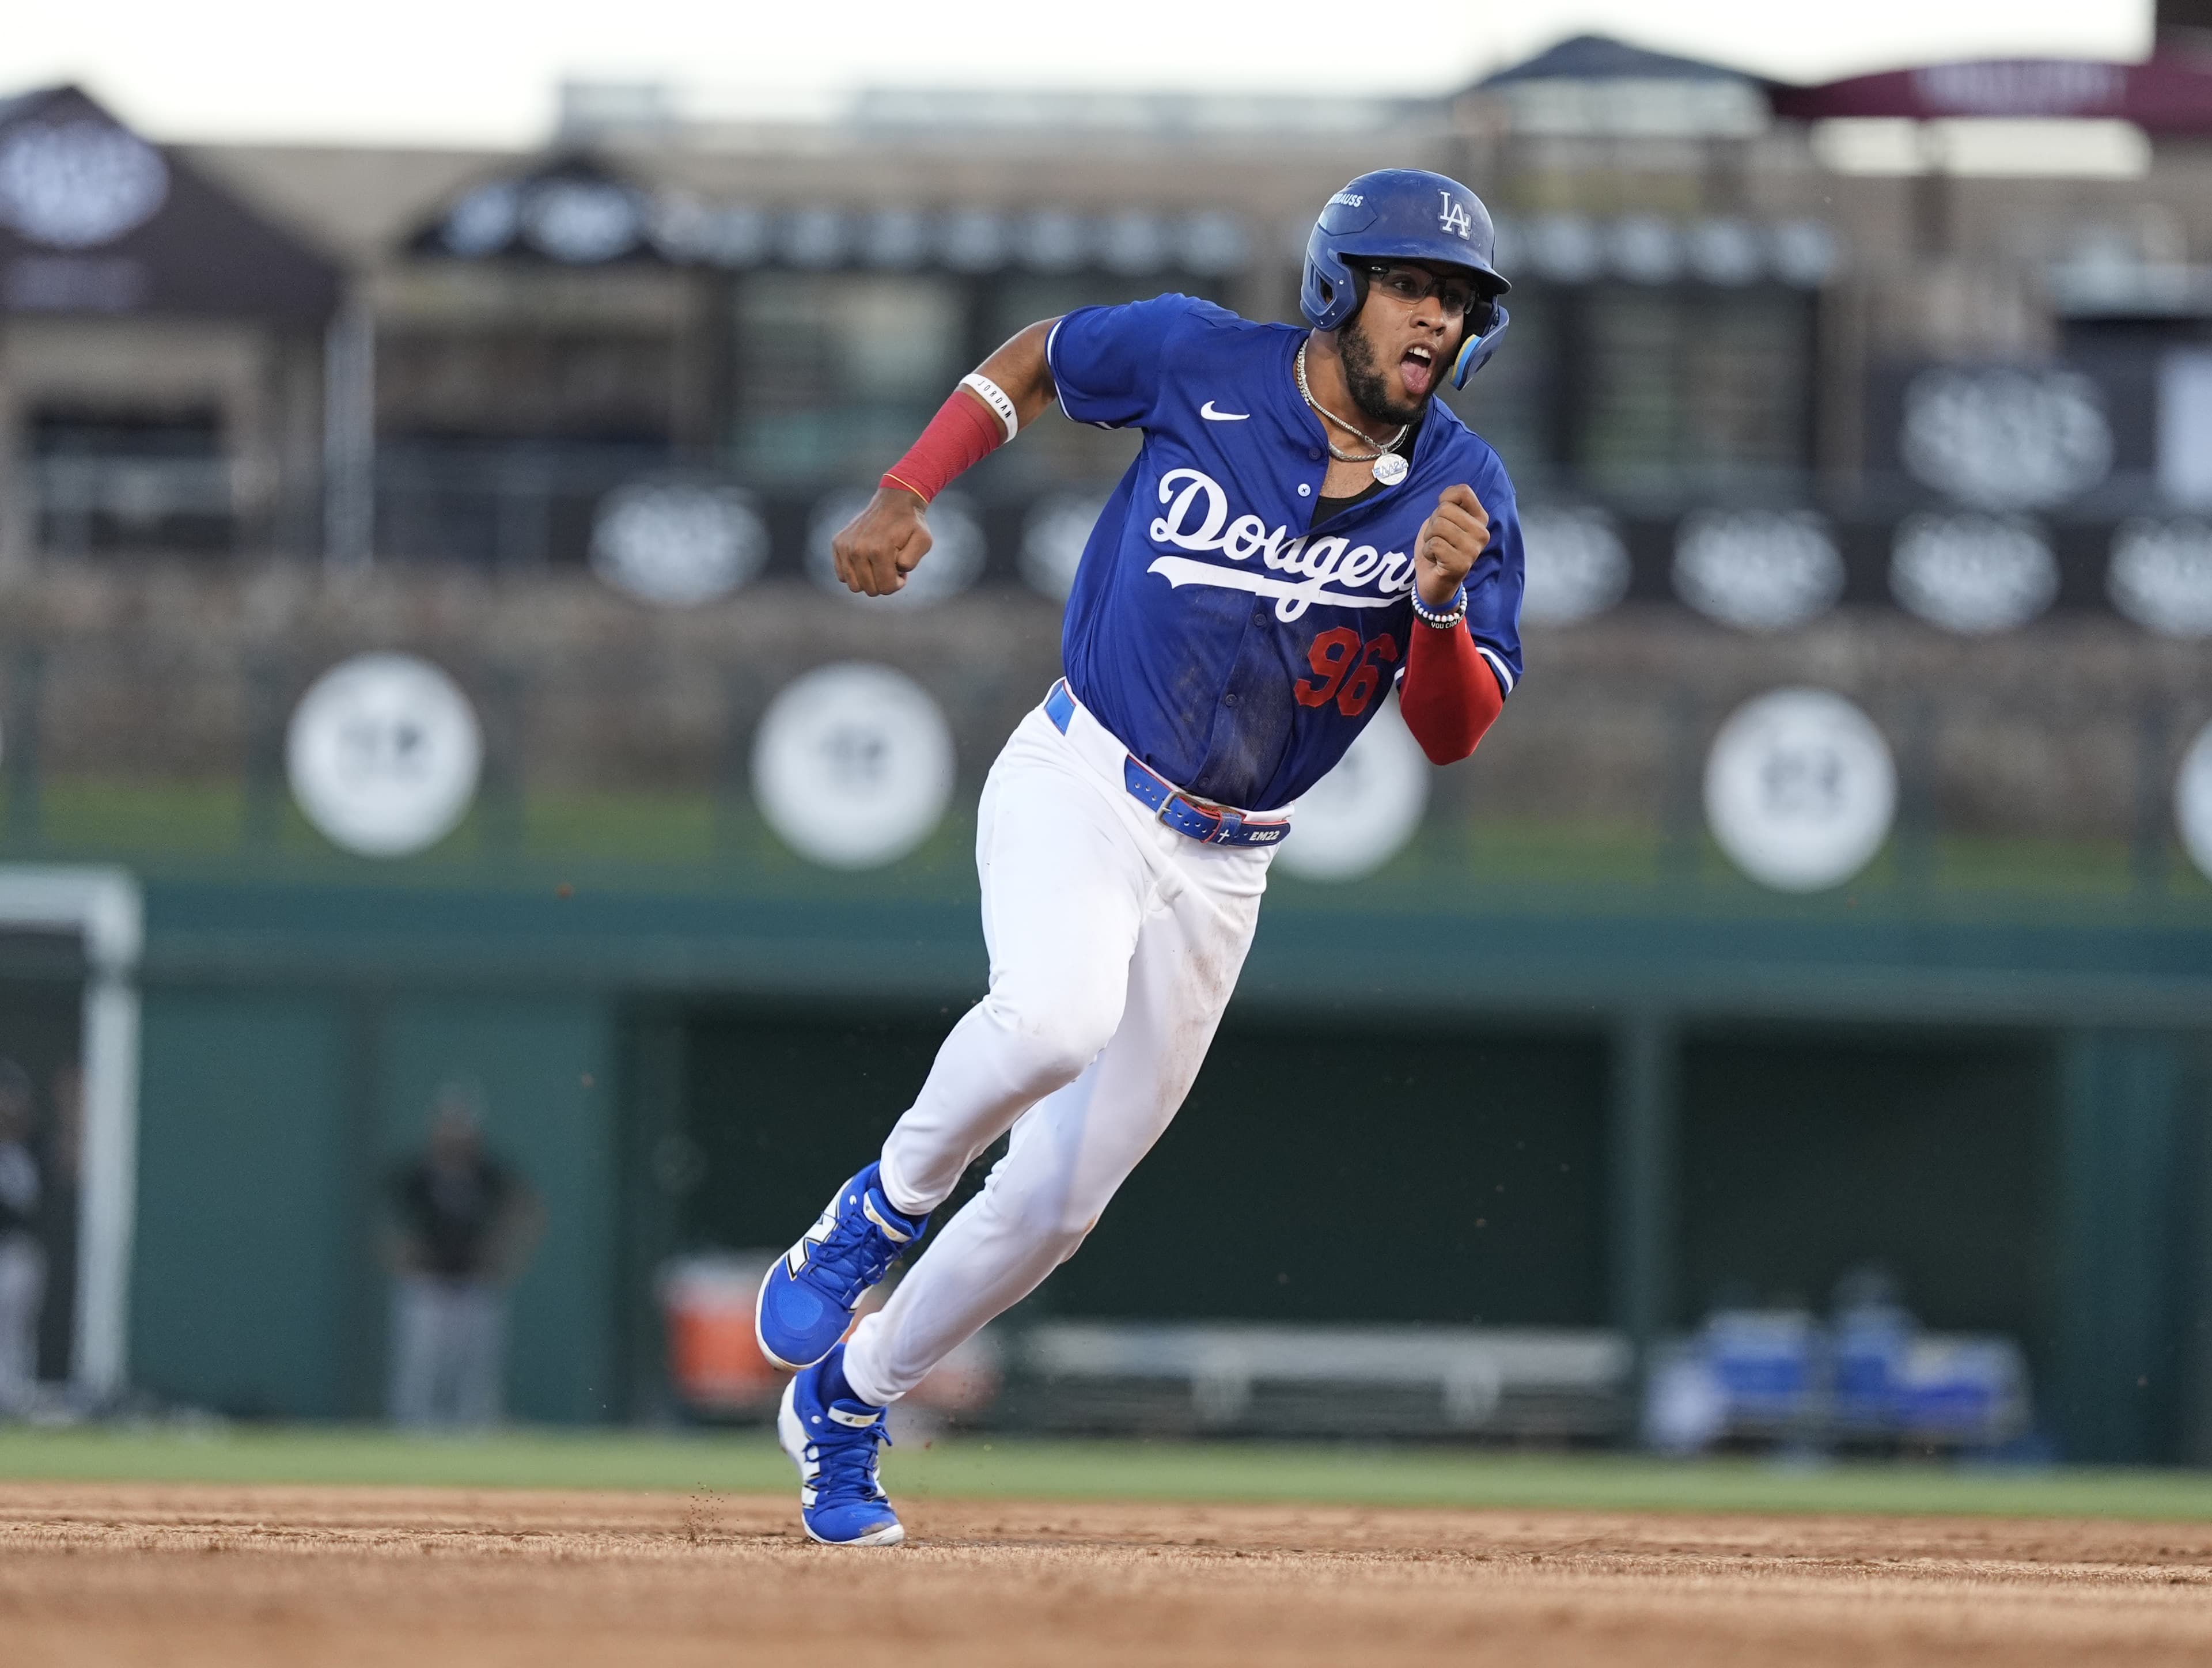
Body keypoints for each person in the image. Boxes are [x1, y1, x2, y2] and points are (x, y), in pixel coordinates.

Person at [755, 168, 1522, 1545]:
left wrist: (1440, 605)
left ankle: (850, 1399)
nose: (1433, 321)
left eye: (1458, 303)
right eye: (1411, 286)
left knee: (1056, 1202)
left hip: (1229, 864)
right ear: (1339, 285)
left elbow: (1452, 731)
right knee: (1053, 1016)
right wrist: (903, 486)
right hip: (1084, 776)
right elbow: (1040, 358)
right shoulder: (1200, 358)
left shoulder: (1465, 489)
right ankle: (876, 1205)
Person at [384, 1084, 543, 1430]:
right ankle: (412, 1433)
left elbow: (527, 1208)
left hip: (475, 1282)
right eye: (449, 1125)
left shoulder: (488, 1174)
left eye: (462, 1127)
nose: (455, 1136)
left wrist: (506, 1253)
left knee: (476, 1373)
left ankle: (474, 1434)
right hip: (427, 1283)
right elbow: (383, 1216)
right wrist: (398, 1252)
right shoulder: (418, 1174)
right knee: (421, 1367)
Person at [0, 1059, 43, 1416]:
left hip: (15, 1252)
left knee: (15, 1331)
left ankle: (12, 1398)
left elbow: (30, 1205)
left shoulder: (30, 1150)